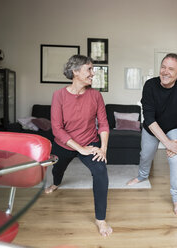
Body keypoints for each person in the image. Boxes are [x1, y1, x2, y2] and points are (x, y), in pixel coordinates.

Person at [45, 55, 112, 236]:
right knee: (57, 170)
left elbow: (103, 124)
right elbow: (57, 129)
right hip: (64, 144)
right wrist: (80, 148)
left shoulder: (96, 95)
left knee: (100, 171)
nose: (93, 73)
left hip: (90, 142)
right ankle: (56, 183)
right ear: (75, 71)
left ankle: (100, 219)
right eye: (89, 69)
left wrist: (103, 148)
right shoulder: (58, 96)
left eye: (92, 69)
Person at [127, 53, 177, 217]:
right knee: (145, 155)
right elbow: (149, 118)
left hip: (173, 127)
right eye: (163, 67)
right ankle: (142, 176)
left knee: (176, 158)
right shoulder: (150, 85)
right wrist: (167, 143)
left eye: (171, 69)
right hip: (151, 128)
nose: (165, 72)